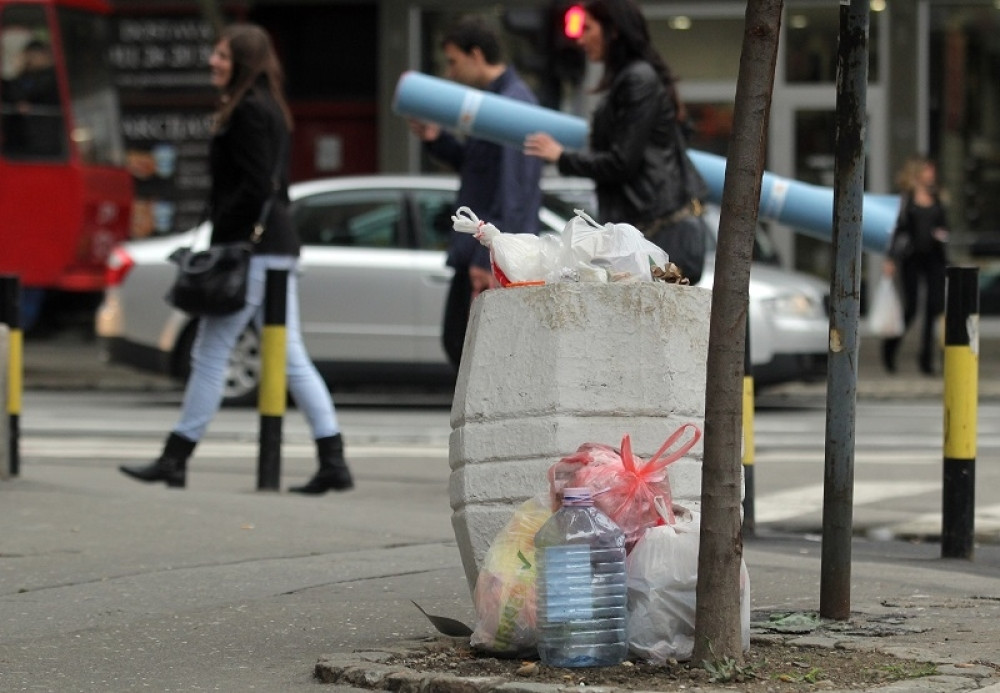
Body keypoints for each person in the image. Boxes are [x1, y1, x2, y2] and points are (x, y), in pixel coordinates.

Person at [119, 23, 352, 495]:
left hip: (254, 248)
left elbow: (253, 186)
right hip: (271, 245)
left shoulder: (248, 109)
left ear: (242, 62)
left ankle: (175, 457)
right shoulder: (268, 106)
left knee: (210, 352)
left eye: (222, 56)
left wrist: (225, 237)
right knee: (289, 356)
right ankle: (333, 459)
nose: (213, 62)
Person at [523, 0, 706, 284]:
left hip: (661, 239)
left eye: (588, 29)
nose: (581, 39)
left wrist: (561, 157)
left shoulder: (638, 79)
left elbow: (622, 162)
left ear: (614, 31)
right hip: (652, 236)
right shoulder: (633, 79)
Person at [408, 15, 543, 369]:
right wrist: (436, 140)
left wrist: (489, 258)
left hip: (488, 252)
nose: (451, 73)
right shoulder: (497, 104)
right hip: (482, 248)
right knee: (465, 343)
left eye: (453, 61)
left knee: (472, 347)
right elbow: (479, 167)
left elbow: (516, 191)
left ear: (476, 55)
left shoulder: (513, 105)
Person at [881, 155, 949, 375]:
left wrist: (941, 234)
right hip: (911, 257)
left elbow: (944, 224)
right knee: (911, 308)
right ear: (918, 172)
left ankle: (927, 360)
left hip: (934, 258)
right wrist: (891, 258)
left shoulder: (937, 196)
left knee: (935, 307)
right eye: (928, 170)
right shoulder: (907, 199)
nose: (932, 174)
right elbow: (898, 230)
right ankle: (889, 348)